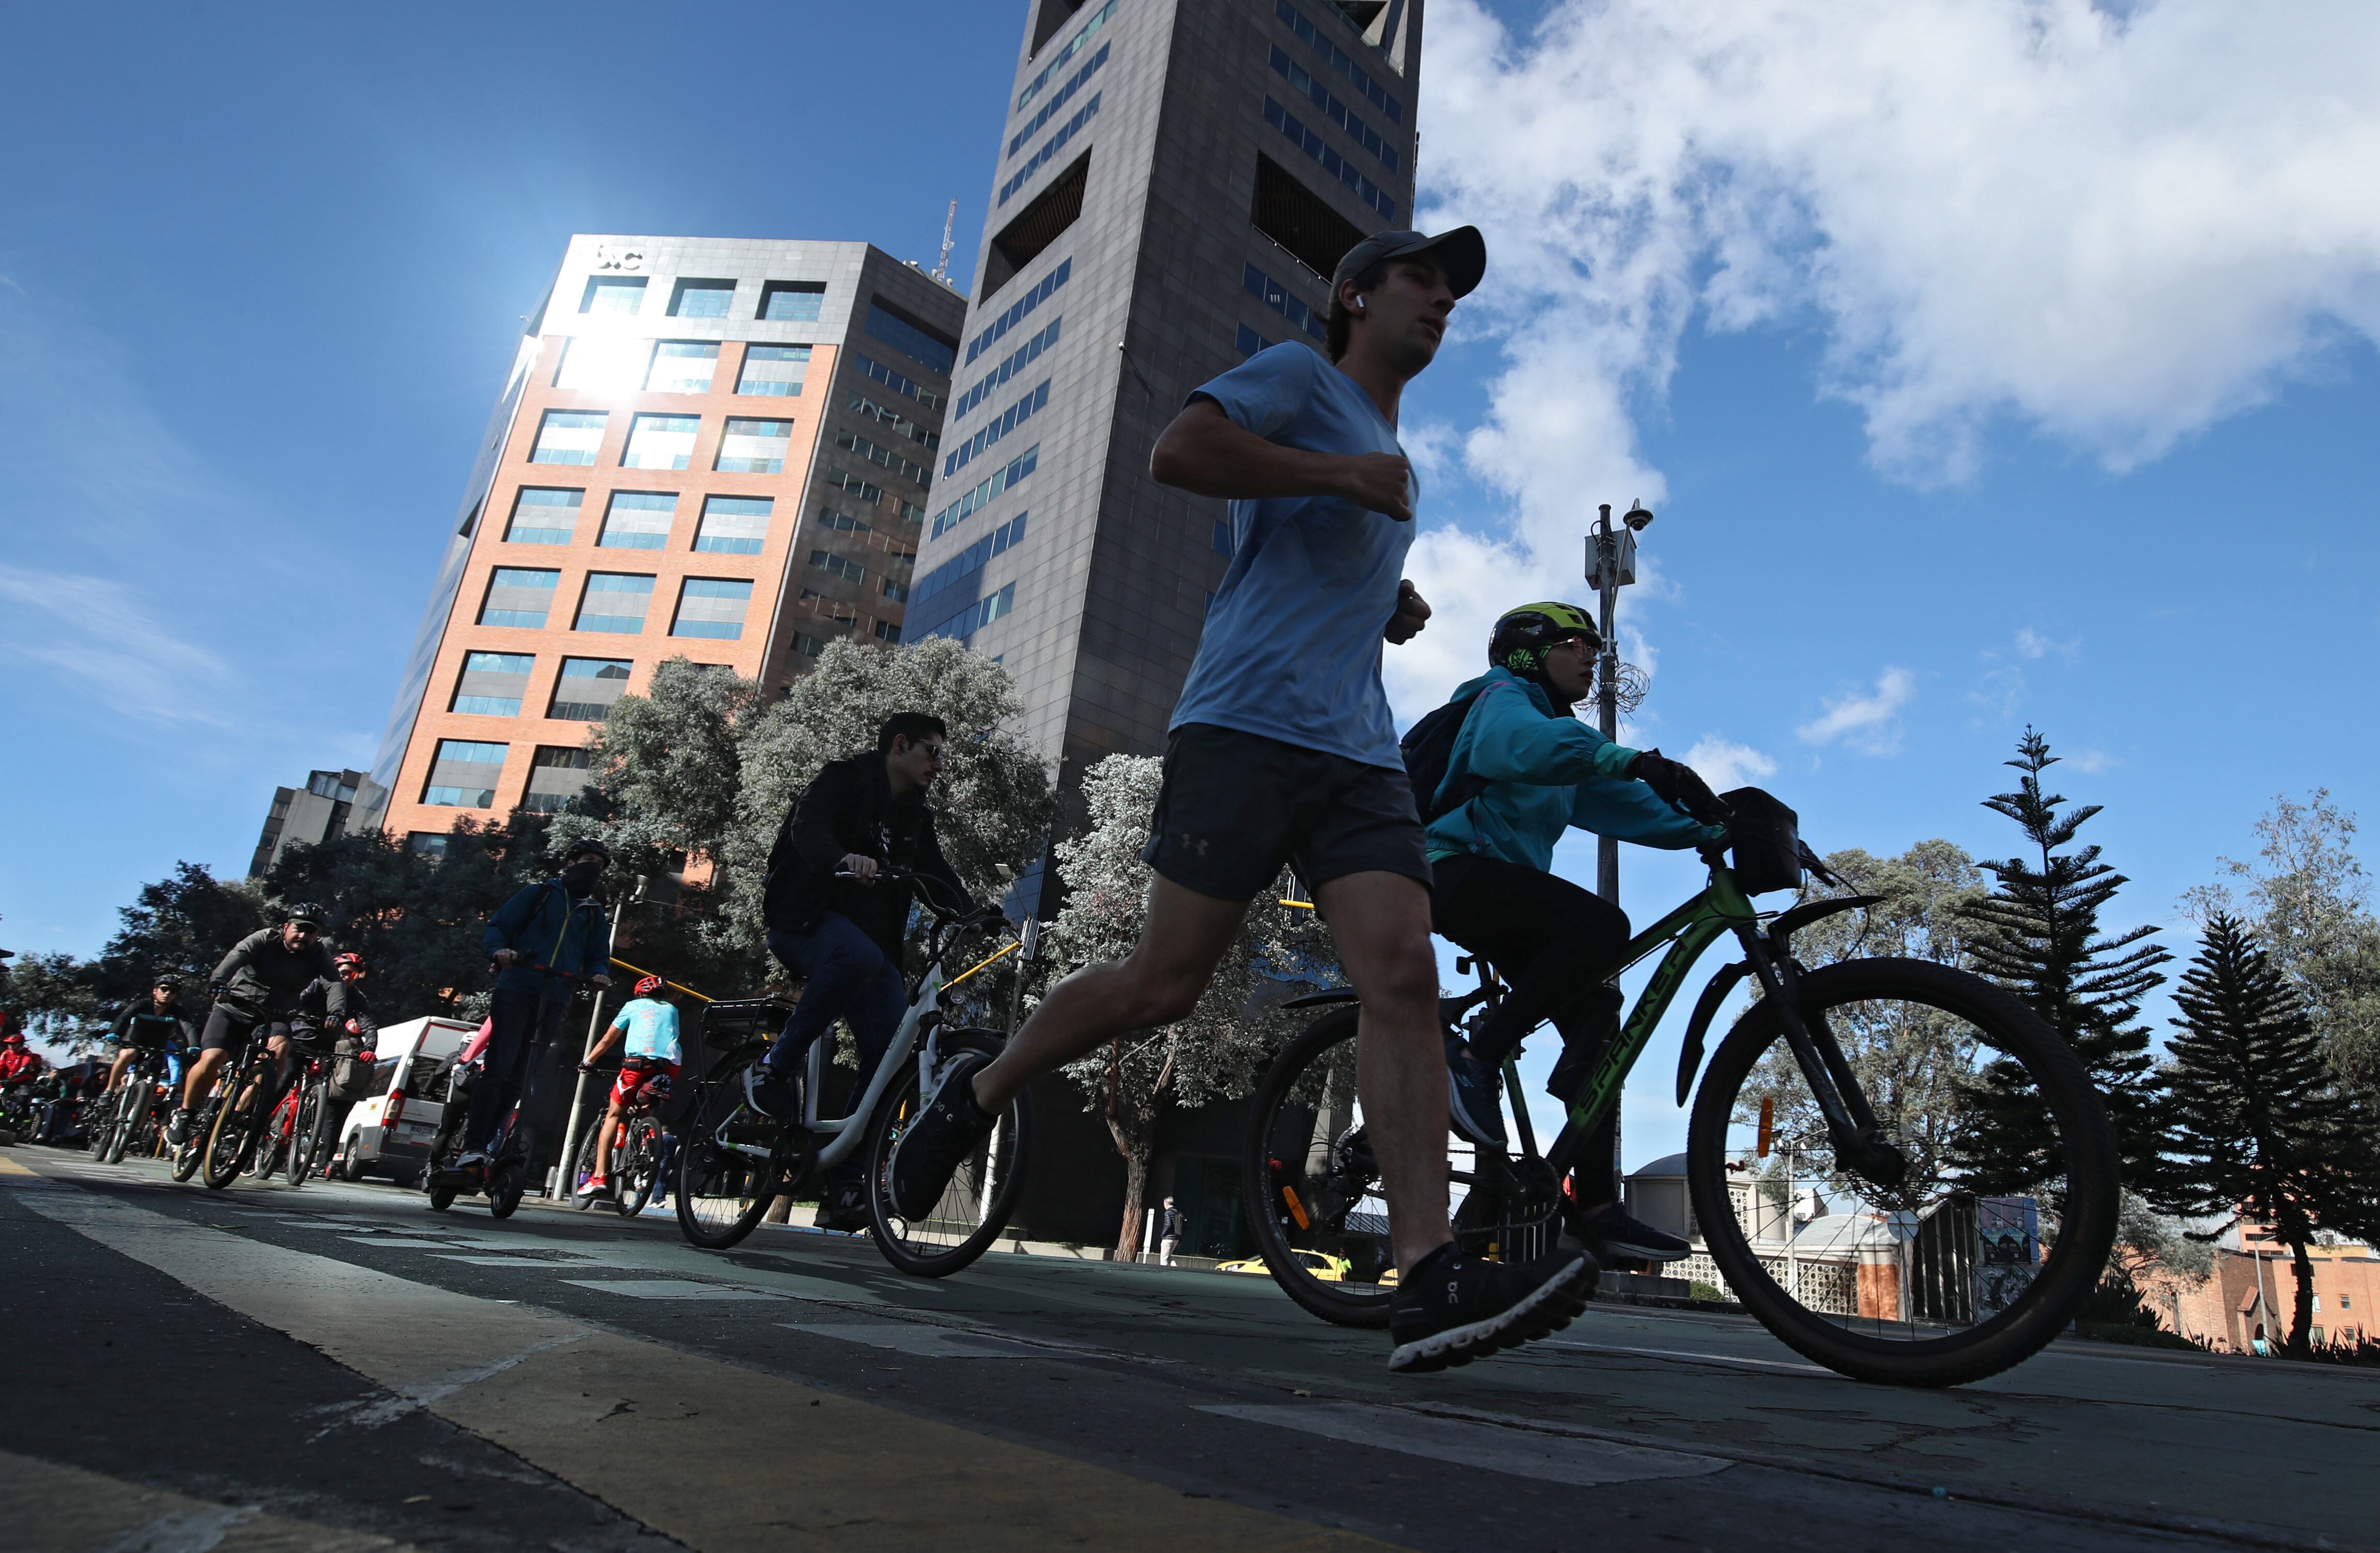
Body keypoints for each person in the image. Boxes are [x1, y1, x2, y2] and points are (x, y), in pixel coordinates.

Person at [888, 226, 1593, 1375]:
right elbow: (1181, 449)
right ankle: (981, 1086)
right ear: (1354, 294)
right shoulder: (1301, 376)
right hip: (1244, 726)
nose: (1440, 302)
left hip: (1356, 751)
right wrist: (1335, 478)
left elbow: (1306, 552)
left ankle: (1427, 1273)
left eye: (1450, 292)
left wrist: (1386, 595)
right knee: (1164, 983)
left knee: (1402, 973)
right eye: (1419, 279)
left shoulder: (1388, 443)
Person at [1422, 601, 1729, 1264]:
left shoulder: (1561, 738)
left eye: (1594, 645)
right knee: (1602, 925)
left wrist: (1717, 825)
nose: (1592, 655)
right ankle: (1476, 1057)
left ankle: (1595, 1205)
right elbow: (1516, 747)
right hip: (1451, 871)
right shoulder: (1502, 698)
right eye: (1576, 643)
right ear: (1532, 650)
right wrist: (1631, 758)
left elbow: (1627, 805)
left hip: (1503, 892)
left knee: (1598, 1016)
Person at [745, 711, 979, 1232]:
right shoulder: (844, 778)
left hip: (869, 951)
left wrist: (974, 910)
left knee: (891, 1051)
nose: (939, 765)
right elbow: (808, 829)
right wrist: (844, 857)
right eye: (932, 752)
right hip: (802, 922)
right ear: (900, 745)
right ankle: (772, 1067)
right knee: (859, 957)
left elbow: (935, 873)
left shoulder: (915, 818)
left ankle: (847, 1185)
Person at [458, 839, 614, 1175]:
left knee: (520, 1078)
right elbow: (499, 926)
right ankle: (471, 1146)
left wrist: (599, 974)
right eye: (588, 860)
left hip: (555, 997)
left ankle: (491, 1145)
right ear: (570, 863)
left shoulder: (593, 914)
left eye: (599, 867)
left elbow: (598, 956)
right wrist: (498, 952)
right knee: (499, 1069)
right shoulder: (539, 894)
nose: (593, 869)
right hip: (517, 988)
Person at [168, 911, 339, 1146]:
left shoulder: (319, 955)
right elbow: (238, 955)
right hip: (235, 1007)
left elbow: (334, 982)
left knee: (279, 1053)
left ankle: (240, 1114)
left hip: (274, 1015)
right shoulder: (266, 938)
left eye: (311, 932)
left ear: (317, 936)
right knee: (213, 1058)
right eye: (299, 929)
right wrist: (218, 981)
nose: (303, 935)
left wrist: (336, 1012)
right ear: (286, 927)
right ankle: (185, 1114)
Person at [578, 974, 680, 1197]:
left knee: (614, 1115)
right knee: (646, 1103)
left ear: (640, 993)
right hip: (668, 1068)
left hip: (637, 1065)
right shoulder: (673, 1010)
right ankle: (647, 1153)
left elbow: (608, 1039)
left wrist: (589, 1061)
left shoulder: (633, 1006)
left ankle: (598, 1177)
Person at [301, 953, 378, 1161]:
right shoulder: (318, 984)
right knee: (287, 1074)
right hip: (302, 1035)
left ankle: (315, 1147)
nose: (347, 977)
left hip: (327, 1045)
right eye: (343, 972)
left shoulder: (356, 998)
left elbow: (368, 1025)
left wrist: (369, 1048)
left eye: (353, 973)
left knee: (328, 1096)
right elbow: (297, 1002)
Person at [105, 977, 198, 1097]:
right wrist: (114, 1033)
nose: (168, 993)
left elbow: (188, 1027)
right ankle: (109, 1091)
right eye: (164, 989)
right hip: (134, 1044)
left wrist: (194, 1045)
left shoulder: (178, 1011)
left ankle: (139, 1114)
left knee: (149, 1093)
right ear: (155, 991)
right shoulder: (141, 1005)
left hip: (157, 1049)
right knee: (127, 1055)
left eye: (173, 991)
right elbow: (124, 1017)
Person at [1159, 1197, 1184, 1268]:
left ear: (1166, 1203)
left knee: (1164, 1258)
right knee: (1168, 1257)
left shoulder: (1168, 1212)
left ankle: (1163, 1274)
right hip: (1176, 1239)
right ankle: (1176, 1269)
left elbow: (1168, 1225)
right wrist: (1179, 1241)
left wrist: (1163, 1235)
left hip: (1168, 1238)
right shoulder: (1178, 1213)